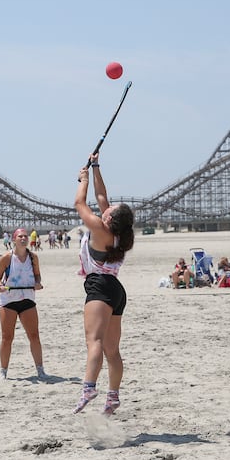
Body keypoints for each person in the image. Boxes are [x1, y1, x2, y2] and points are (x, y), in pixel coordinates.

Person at [73, 153, 135, 416]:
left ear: (110, 218)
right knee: (112, 349)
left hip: (99, 287)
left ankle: (89, 387)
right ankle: (113, 396)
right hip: (116, 291)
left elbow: (79, 202)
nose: (106, 207)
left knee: (94, 341)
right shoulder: (118, 233)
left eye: (110, 209)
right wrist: (96, 166)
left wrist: (83, 179)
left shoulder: (99, 228)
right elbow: (101, 197)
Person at [0, 228, 46, 380]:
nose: (23, 238)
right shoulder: (7, 258)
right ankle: (3, 371)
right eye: (20, 236)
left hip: (27, 299)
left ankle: (40, 370)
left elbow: (37, 275)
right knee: (7, 337)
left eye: (25, 236)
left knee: (34, 336)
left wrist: (38, 283)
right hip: (8, 301)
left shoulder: (33, 257)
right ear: (14, 239)